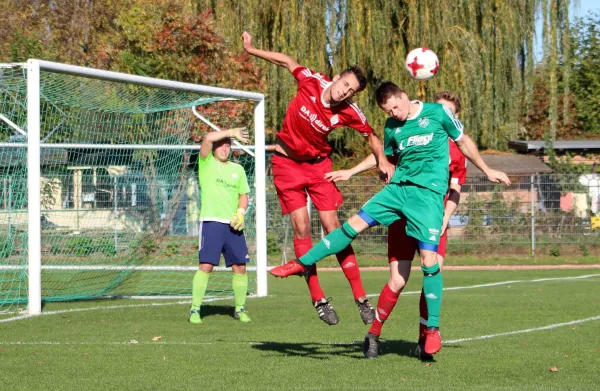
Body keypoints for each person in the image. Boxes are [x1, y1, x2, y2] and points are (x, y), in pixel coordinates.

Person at [270, 82, 511, 357]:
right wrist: (352, 171)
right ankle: (303, 263)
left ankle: (431, 330)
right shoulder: (391, 126)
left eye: (395, 106)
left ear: (404, 96)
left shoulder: (437, 114)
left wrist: (488, 169)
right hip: (398, 190)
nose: (394, 113)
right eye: (388, 110)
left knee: (430, 263)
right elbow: (383, 159)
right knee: (351, 225)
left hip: (428, 198)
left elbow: (464, 141)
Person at [242, 31, 395, 325]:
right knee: (301, 229)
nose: (345, 92)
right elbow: (287, 61)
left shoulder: (349, 111)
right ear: (336, 77)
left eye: (351, 91)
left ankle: (361, 298)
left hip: (318, 167)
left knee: (333, 227)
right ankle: (319, 299)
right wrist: (251, 50)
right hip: (286, 164)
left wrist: (384, 160)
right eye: (345, 85)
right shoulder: (311, 80)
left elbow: (372, 137)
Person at [324, 90, 467, 359]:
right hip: (402, 217)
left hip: (434, 220)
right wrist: (352, 170)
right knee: (398, 280)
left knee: (432, 276)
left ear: (454, 116)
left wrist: (445, 218)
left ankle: (425, 339)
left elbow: (455, 190)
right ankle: (374, 334)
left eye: (447, 110)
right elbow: (384, 157)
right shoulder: (411, 133)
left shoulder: (457, 154)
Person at [188, 127, 252, 324]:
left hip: (233, 226)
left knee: (240, 267)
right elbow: (207, 138)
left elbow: (244, 196)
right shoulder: (206, 163)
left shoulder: (238, 169)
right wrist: (231, 132)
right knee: (206, 265)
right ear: (214, 149)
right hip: (211, 223)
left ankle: (240, 309)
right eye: (221, 145)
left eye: (227, 145)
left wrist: (241, 213)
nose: (224, 148)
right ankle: (195, 310)